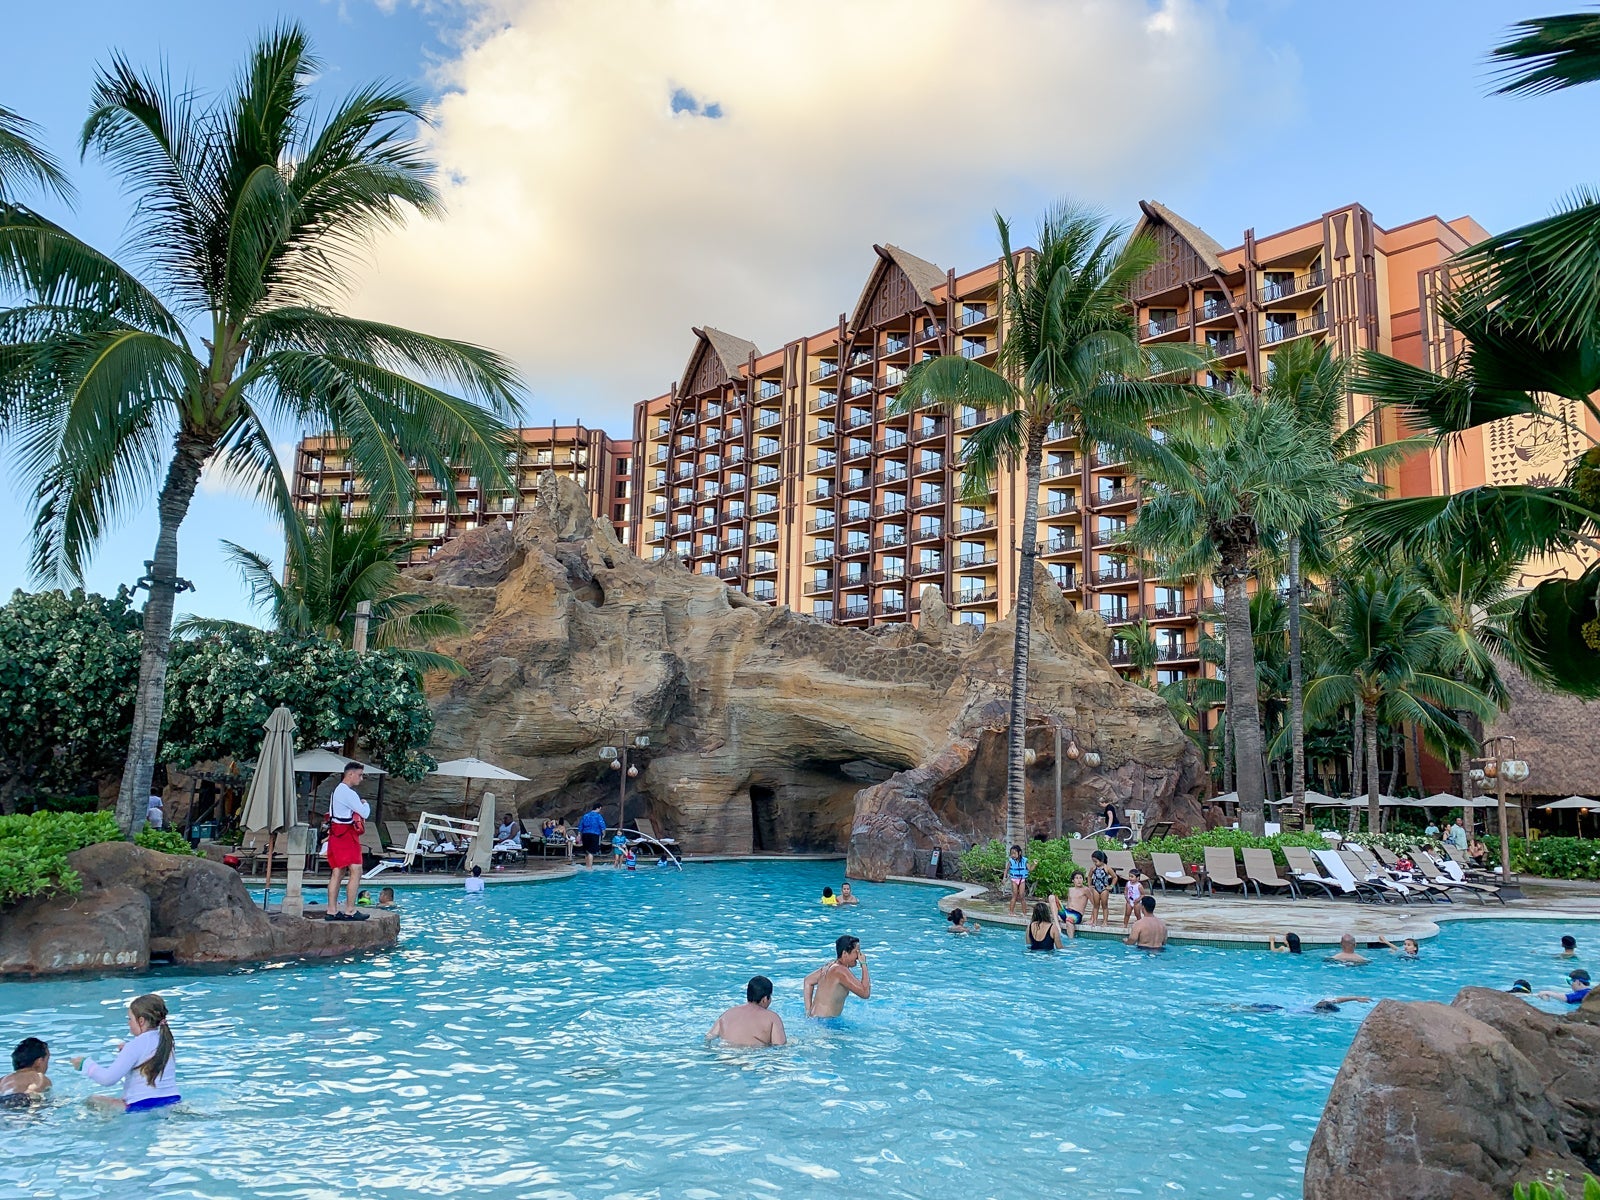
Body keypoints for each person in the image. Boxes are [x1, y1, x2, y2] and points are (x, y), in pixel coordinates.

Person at [71, 994, 179, 1112]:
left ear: (141, 1021)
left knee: (92, 1100)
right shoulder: (167, 1043)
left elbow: (107, 1079)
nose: (128, 1023)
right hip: (172, 1102)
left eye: (130, 1019)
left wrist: (85, 1064)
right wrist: (127, 1052)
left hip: (141, 1106)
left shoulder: (134, 1046)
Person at [325, 762, 371, 922]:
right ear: (350, 774)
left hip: (336, 834)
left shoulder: (336, 791)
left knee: (337, 872)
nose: (361, 778)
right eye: (360, 775)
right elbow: (364, 813)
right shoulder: (349, 793)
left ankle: (331, 910)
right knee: (356, 870)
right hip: (346, 835)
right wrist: (366, 804)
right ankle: (350, 910)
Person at [802, 935, 871, 1018]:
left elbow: (808, 981)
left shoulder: (831, 967)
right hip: (825, 1024)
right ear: (845, 953)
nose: (859, 956)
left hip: (816, 1020)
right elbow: (865, 993)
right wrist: (863, 964)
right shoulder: (841, 971)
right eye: (857, 952)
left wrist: (808, 1012)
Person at [707, 976, 787, 1047]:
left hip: (725, 1055)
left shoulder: (728, 1013)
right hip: (752, 1057)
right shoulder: (772, 1018)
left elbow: (709, 1037)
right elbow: (779, 1047)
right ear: (765, 999)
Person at [1087, 851, 1114, 927]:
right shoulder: (1093, 868)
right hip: (1095, 888)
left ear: (1102, 860)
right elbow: (1089, 876)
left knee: (1104, 905)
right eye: (1094, 862)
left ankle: (1105, 921)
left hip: (1104, 889)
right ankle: (1094, 921)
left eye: (1096, 861)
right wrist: (1089, 885)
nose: (1095, 863)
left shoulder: (1107, 868)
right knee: (1096, 905)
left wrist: (1111, 886)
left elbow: (1115, 877)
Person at [1006, 845, 1028, 915]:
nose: (1013, 855)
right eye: (1011, 853)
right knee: (1014, 895)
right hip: (1014, 879)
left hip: (1022, 879)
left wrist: (1034, 864)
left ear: (1020, 853)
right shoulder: (1011, 861)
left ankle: (1024, 913)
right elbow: (1006, 870)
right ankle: (1011, 912)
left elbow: (1030, 868)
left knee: (1022, 896)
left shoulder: (1024, 861)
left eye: (1014, 853)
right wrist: (1004, 878)